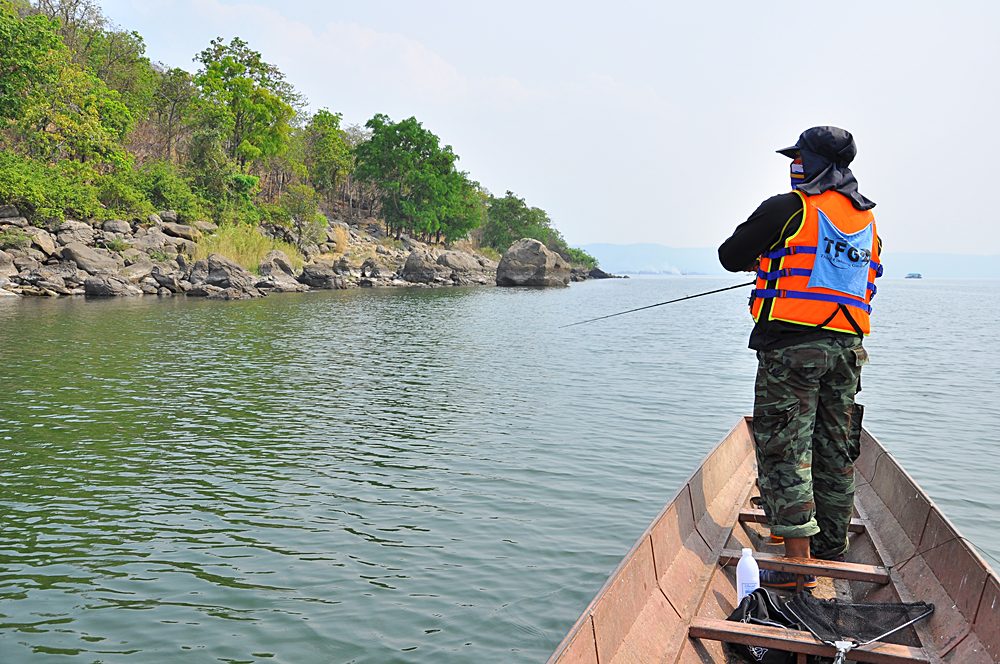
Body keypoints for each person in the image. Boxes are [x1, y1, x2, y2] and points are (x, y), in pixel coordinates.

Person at [718, 126, 883, 589]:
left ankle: (795, 567)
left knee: (785, 447)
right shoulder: (868, 222)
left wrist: (765, 260)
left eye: (799, 158)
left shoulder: (790, 208)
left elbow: (731, 255)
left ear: (816, 164)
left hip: (791, 349)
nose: (793, 166)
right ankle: (830, 545)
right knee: (835, 446)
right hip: (847, 351)